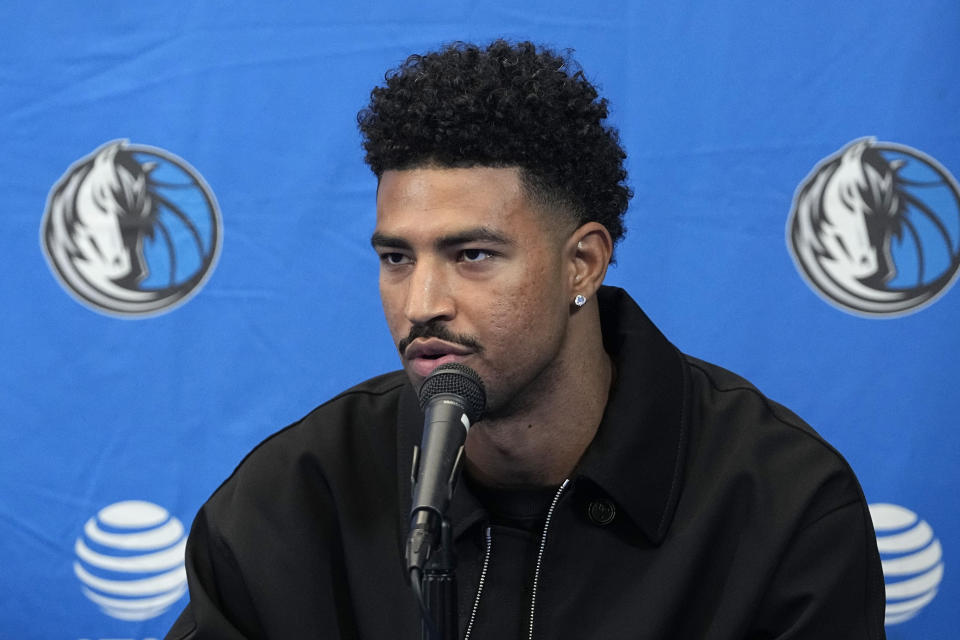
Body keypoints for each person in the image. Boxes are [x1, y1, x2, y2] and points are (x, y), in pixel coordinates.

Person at [166, 40, 886, 639]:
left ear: (584, 263)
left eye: (472, 256)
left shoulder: (782, 504)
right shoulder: (293, 497)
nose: (421, 304)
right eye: (397, 258)